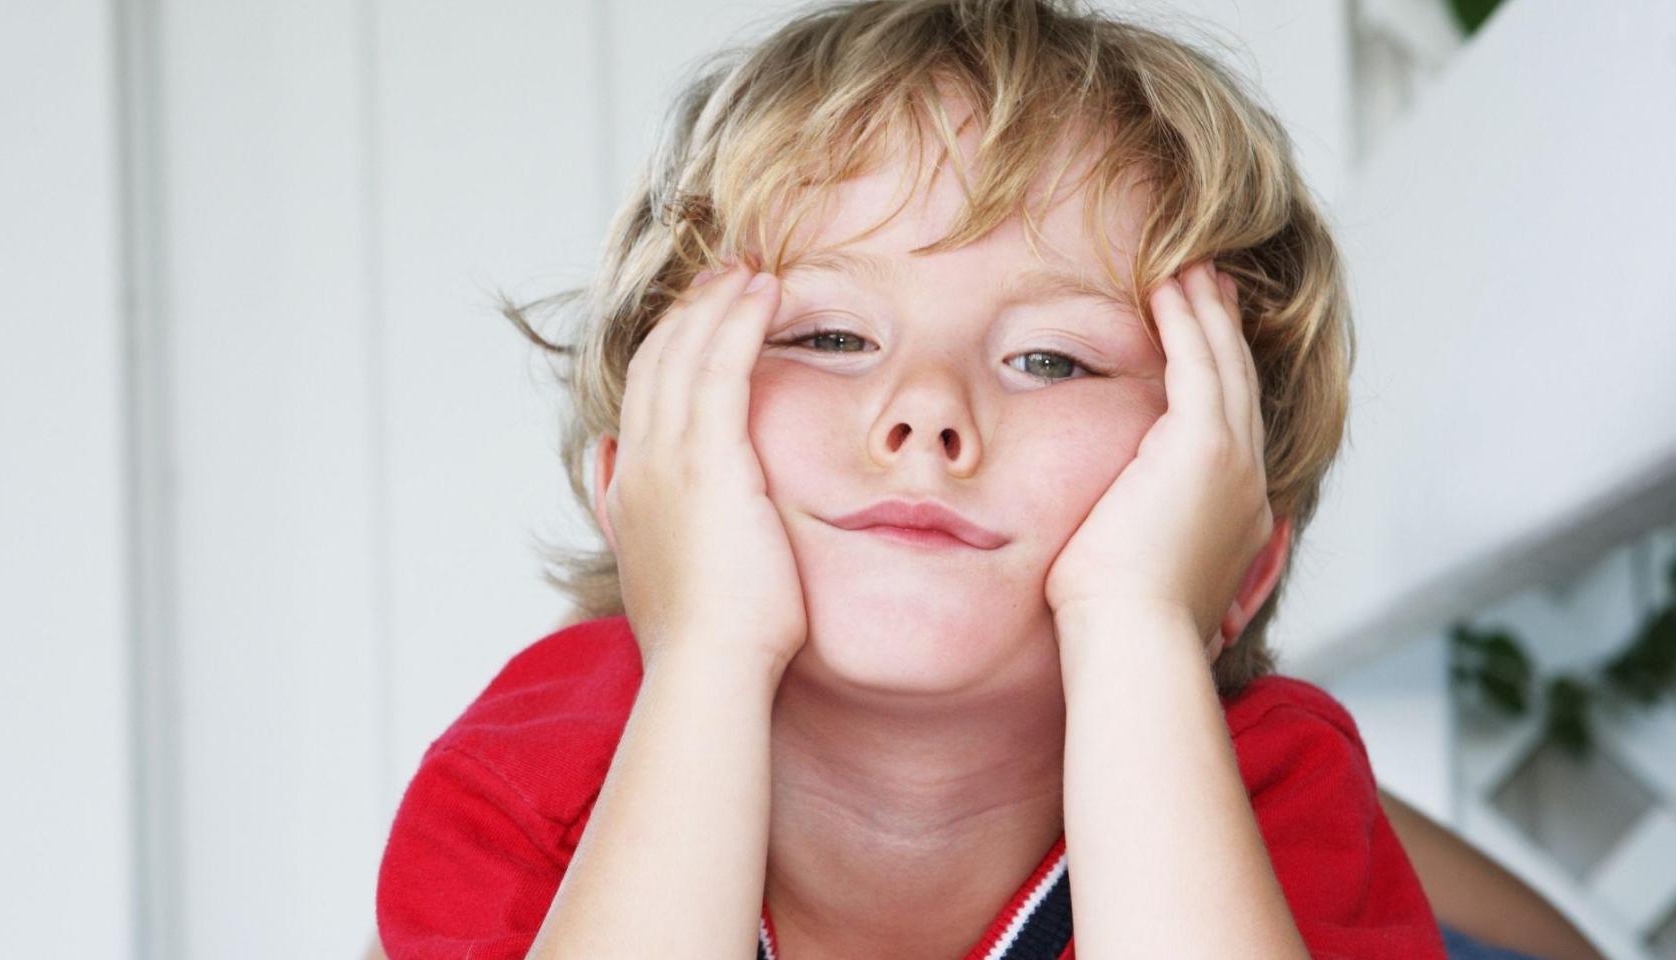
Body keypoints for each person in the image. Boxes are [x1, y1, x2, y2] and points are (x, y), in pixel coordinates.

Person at [373, 1, 1601, 957]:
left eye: (1052, 358)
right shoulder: (534, 787)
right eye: (829, 336)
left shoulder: (1273, 795)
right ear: (640, 482)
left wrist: (1135, 627)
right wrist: (702, 650)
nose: (923, 412)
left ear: (1228, 546)